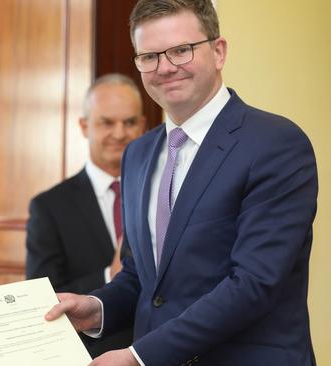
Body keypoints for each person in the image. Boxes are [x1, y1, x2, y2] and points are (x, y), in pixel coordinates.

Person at [45, 1, 318, 365]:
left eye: (181, 50)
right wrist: (96, 308)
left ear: (218, 51)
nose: (165, 67)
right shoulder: (138, 154)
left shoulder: (276, 143)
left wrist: (138, 356)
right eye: (149, 56)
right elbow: (144, 276)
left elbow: (254, 284)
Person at [25, 73, 145, 357]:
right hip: (93, 355)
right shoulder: (49, 207)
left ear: (142, 126)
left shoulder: (163, 193)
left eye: (129, 122)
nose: (119, 133)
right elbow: (43, 296)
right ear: (84, 126)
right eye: (107, 122)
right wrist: (109, 274)